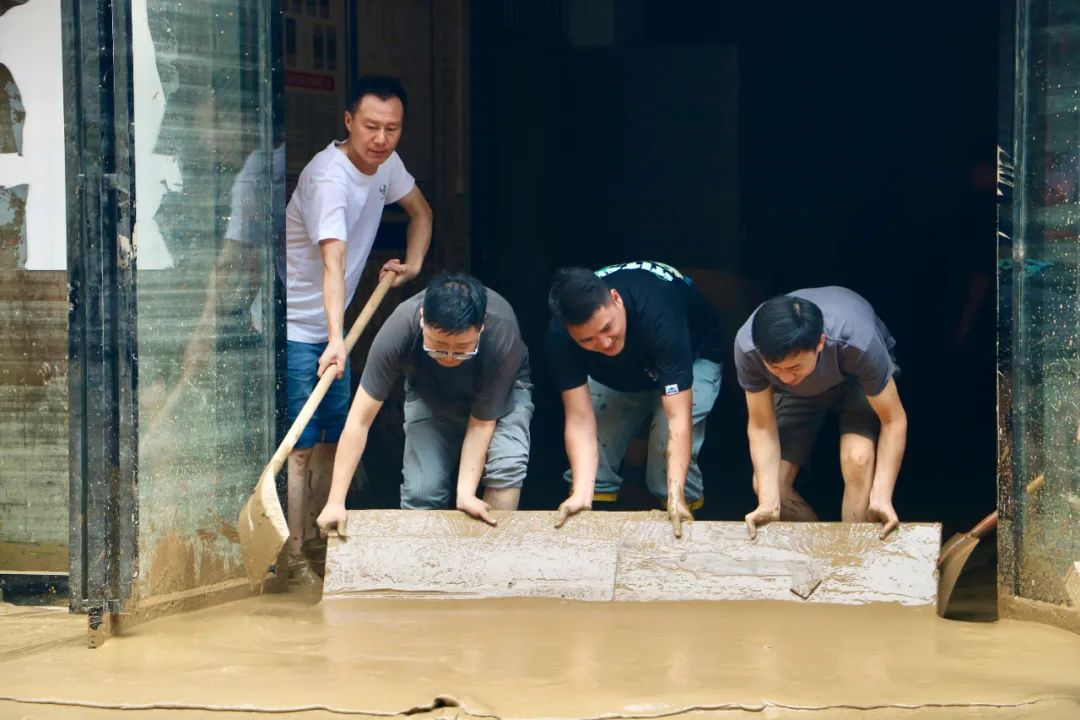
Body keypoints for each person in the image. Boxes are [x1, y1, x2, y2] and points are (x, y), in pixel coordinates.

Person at [285, 75, 432, 574]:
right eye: (370, 127)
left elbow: (422, 211)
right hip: (298, 329)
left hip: (334, 332)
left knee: (331, 439)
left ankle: (322, 541)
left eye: (392, 129)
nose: (381, 139)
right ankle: (293, 550)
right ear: (348, 122)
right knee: (301, 449)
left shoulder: (387, 163)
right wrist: (333, 340)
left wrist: (412, 265)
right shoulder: (329, 179)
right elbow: (334, 264)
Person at [316, 273, 533, 534]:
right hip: (430, 394)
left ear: (482, 326)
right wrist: (335, 502)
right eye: (439, 346)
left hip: (502, 396)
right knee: (422, 492)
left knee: (505, 465)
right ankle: (425, 569)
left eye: (463, 347)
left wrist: (465, 493)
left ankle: (491, 562)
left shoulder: (502, 333)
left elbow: (482, 422)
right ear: (422, 319)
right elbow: (359, 420)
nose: (450, 357)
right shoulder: (399, 328)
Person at [546, 261, 724, 537]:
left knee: (666, 459)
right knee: (594, 460)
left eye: (607, 328)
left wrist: (675, 494)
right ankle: (591, 532)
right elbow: (580, 419)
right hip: (617, 372)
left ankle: (683, 532)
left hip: (691, 357)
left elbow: (677, 416)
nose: (604, 343)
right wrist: (583, 491)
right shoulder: (559, 337)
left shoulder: (659, 310)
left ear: (615, 299)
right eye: (588, 340)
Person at [736, 287, 906, 540]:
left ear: (819, 343)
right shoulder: (749, 349)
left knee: (857, 459)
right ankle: (819, 544)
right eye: (775, 368)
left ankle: (851, 552)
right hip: (796, 393)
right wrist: (768, 504)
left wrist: (882, 497)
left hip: (855, 378)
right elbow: (761, 426)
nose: (784, 376)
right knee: (767, 485)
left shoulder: (857, 341)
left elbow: (894, 420)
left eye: (794, 366)